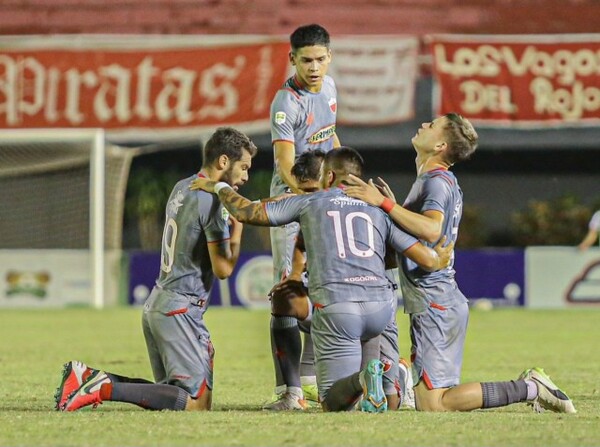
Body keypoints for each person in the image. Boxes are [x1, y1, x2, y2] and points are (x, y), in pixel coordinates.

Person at [190, 146, 454, 412]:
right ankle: (386, 376)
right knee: (390, 403)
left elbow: (246, 213)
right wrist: (439, 258)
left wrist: (218, 187)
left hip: (339, 310)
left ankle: (359, 379)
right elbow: (424, 258)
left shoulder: (310, 202)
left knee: (335, 402)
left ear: (328, 177)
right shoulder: (380, 209)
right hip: (380, 311)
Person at [345, 113, 576, 413]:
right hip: (435, 300)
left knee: (435, 405)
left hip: (437, 302)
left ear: (440, 144)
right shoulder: (437, 180)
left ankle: (531, 387)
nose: (423, 125)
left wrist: (384, 205)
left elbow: (431, 229)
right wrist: (395, 210)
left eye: (432, 125)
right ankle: (404, 375)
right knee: (431, 400)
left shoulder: (436, 183)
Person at [54, 127, 257, 412]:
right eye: (244, 167)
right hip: (180, 310)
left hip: (160, 304)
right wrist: (238, 232)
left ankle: (88, 379)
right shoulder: (213, 202)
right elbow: (223, 269)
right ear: (223, 161)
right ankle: (101, 386)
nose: (246, 176)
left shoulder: (182, 186)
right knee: (196, 405)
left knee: (174, 396)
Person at [268, 23, 340, 406]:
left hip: (324, 202)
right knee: (288, 292)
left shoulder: (329, 88)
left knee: (326, 287)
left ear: (330, 57)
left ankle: (309, 377)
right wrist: (309, 200)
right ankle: (288, 390)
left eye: (319, 59)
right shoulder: (286, 103)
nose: (313, 67)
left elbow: (330, 139)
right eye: (305, 60)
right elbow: (285, 166)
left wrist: (344, 182)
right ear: (292, 58)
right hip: (290, 207)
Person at [265, 149, 324, 410]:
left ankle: (292, 392)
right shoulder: (365, 201)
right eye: (301, 192)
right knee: (288, 296)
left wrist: (220, 189)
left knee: (287, 301)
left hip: (348, 313)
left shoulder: (328, 205)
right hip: (363, 311)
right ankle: (299, 387)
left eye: (310, 191)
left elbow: (249, 212)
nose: (305, 198)